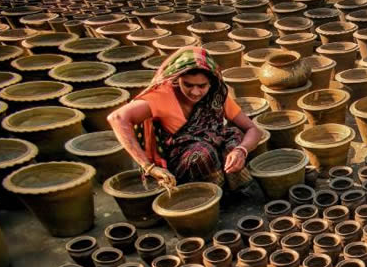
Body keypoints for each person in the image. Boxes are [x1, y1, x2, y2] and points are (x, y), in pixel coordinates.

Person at [108, 47, 261, 192]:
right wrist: (148, 166)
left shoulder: (216, 95)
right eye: (188, 84)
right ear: (177, 79)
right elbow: (117, 118)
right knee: (202, 152)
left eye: (202, 86)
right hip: (182, 162)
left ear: (211, 83)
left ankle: (233, 191)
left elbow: (253, 130)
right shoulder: (163, 96)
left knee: (233, 138)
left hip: (213, 150)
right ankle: (203, 195)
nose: (195, 92)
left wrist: (241, 151)